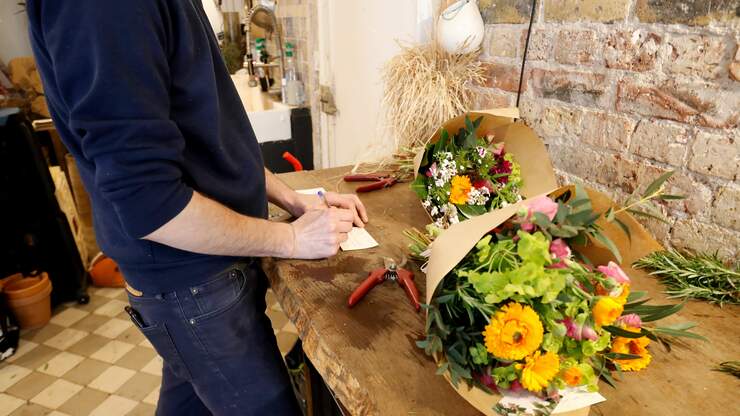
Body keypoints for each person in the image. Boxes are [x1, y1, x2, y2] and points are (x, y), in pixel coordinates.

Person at [26, 1, 368, 415]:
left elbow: (211, 143)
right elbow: (150, 203)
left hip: (207, 273)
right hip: (190, 284)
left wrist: (294, 200)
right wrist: (292, 239)